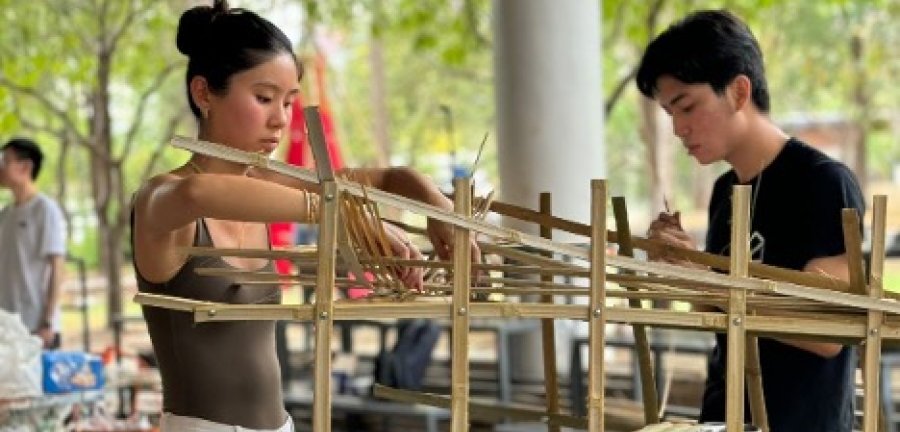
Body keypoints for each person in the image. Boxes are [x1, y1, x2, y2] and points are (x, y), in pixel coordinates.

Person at [130, 1, 476, 431]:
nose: (280, 120)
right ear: (204, 94)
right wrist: (346, 219)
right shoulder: (161, 197)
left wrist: (437, 206)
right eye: (263, 98)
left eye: (289, 102)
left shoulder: (270, 183)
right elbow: (198, 193)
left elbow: (388, 177)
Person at [636, 10, 864, 432]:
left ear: (739, 91)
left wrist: (711, 282)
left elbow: (828, 332)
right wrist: (684, 268)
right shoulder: (725, 191)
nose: (679, 128)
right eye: (669, 113)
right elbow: (713, 307)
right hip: (724, 417)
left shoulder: (821, 182)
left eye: (686, 106)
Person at [0, 138, 66, 350]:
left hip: (37, 328)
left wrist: (47, 322)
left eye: (4, 160)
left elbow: (57, 269)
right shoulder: (5, 215)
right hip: (7, 326)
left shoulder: (45, 210)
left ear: (25, 167)